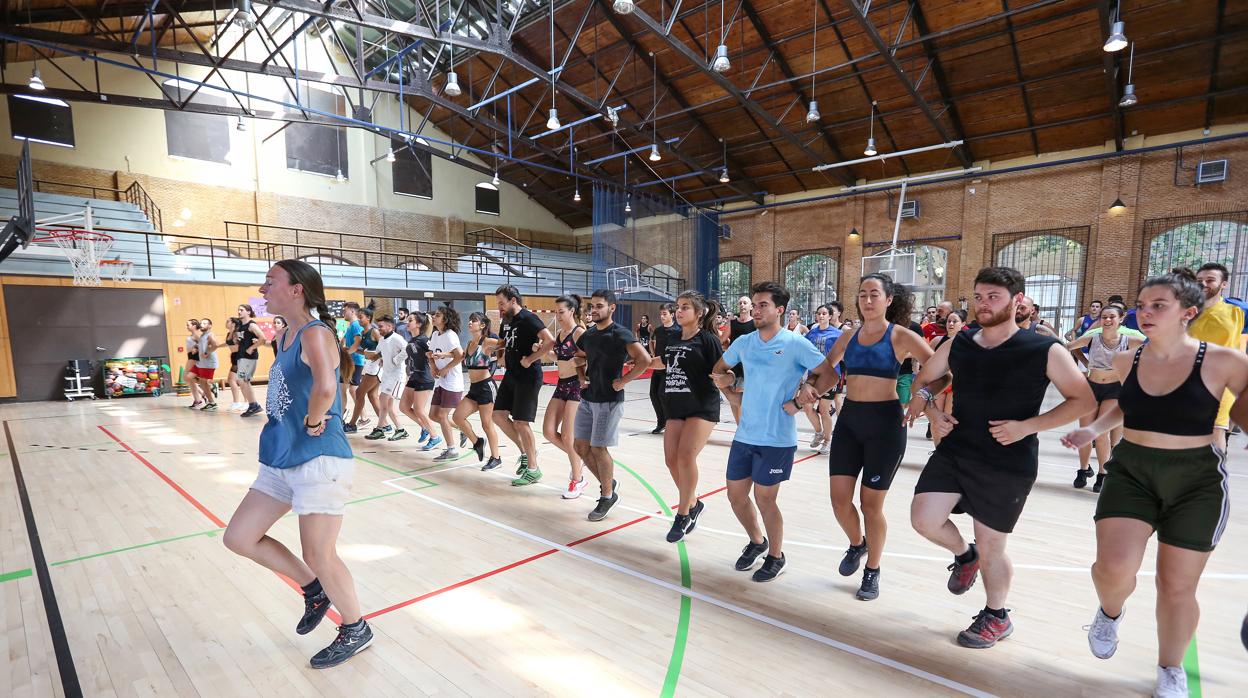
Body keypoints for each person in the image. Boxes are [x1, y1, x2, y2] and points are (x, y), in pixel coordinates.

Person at [1063, 267, 1248, 698]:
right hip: (1133, 471)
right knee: (1112, 570)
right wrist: (1092, 431)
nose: (1146, 314)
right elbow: (1125, 407)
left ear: (1187, 312)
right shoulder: (1129, 358)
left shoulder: (1224, 361)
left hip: (1197, 479)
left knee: (1176, 586)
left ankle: (1170, 668)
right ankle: (1110, 613)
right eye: (1142, 306)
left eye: (1158, 306)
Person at [908, 266, 1094, 649]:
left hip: (1008, 459)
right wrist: (932, 413)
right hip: (958, 448)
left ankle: (997, 615)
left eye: (993, 297)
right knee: (923, 520)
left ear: (1018, 301)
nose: (984, 304)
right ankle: (964, 555)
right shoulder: (958, 343)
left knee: (993, 545)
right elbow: (925, 379)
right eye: (978, 297)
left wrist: (1029, 426)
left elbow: (1084, 399)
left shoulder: (1044, 348)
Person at [223, 259, 372, 669]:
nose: (263, 288)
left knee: (320, 553)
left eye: (270, 281)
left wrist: (311, 421)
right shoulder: (284, 334)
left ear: (296, 290)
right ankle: (314, 590)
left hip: (318, 459)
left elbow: (326, 386)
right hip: (280, 459)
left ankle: (356, 628)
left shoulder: (315, 332)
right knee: (239, 537)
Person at [801, 275, 940, 600]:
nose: (867, 300)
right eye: (862, 294)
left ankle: (872, 570)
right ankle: (857, 543)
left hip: (885, 426)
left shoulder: (901, 336)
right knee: (839, 500)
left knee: (870, 505)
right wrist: (809, 386)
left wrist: (924, 396)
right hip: (850, 422)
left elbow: (941, 370)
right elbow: (830, 371)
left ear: (889, 300)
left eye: (874, 294)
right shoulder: (848, 337)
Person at [711, 282, 826, 582]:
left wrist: (802, 400)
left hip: (777, 438)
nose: (757, 309)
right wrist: (733, 392)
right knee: (736, 497)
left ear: (780, 309)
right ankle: (757, 542)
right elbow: (718, 372)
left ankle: (776, 556)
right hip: (745, 435)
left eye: (763, 305)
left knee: (765, 499)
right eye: (755, 304)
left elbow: (829, 372)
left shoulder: (794, 343)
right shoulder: (745, 342)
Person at [573, 290, 651, 519]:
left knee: (598, 448)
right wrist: (581, 377)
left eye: (599, 306)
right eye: (592, 307)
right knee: (580, 447)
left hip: (608, 400)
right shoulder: (588, 336)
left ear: (612, 308)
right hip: (588, 399)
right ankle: (609, 484)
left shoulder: (621, 334)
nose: (594, 310)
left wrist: (624, 381)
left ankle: (607, 496)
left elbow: (644, 360)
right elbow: (578, 357)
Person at [659, 291, 723, 542]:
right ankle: (694, 503)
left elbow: (722, 370)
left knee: (686, 456)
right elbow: (663, 362)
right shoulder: (673, 337)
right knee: (671, 460)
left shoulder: (708, 339)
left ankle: (683, 514)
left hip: (702, 405)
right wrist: (635, 367)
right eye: (678, 307)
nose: (679, 311)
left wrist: (735, 394)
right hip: (676, 404)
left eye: (685, 307)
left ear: (699, 313)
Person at [1064, 305, 1145, 491]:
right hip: (1091, 387)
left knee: (1101, 433)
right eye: (1104, 317)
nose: (1107, 320)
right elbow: (1066, 347)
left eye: (1111, 317)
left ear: (1121, 319)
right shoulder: (1092, 338)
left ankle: (1103, 472)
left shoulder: (1130, 340)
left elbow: (1155, 349)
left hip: (1115, 390)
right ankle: (1083, 470)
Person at [493, 285, 555, 482]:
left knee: (521, 422)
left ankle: (533, 468)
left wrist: (531, 358)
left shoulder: (529, 318)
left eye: (502, 303)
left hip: (528, 376)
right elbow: (504, 342)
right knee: (498, 415)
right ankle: (526, 452)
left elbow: (549, 341)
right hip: (511, 374)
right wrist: (496, 353)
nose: (500, 307)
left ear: (513, 300)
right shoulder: (506, 321)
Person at [1187, 262, 1244, 451]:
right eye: (1199, 280)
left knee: (1215, 432)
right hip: (1184, 380)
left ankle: (1214, 478)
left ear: (1224, 284)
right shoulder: (1185, 312)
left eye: (1210, 280)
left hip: (1220, 383)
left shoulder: (1237, 310)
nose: (1203, 284)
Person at [541, 295, 587, 494]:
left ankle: (578, 479)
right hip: (561, 385)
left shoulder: (579, 333)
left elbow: (589, 357)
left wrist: (581, 368)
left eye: (561, 312)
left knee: (569, 437)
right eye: (556, 312)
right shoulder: (560, 333)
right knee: (548, 431)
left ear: (572, 311)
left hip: (576, 385)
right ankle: (579, 459)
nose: (558, 315)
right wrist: (545, 353)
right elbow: (559, 357)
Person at [454, 312, 502, 471]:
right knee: (458, 417)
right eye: (469, 320)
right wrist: (442, 356)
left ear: (482, 325)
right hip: (474, 388)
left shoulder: (487, 342)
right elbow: (460, 356)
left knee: (487, 424)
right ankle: (477, 442)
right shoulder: (469, 343)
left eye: (473, 321)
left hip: (486, 387)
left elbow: (504, 343)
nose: (469, 323)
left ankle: (496, 458)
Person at [802, 304, 843, 455]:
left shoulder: (837, 334)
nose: (821, 316)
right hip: (813, 375)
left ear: (830, 316)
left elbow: (842, 354)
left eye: (824, 313)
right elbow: (804, 352)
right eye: (819, 313)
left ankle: (827, 440)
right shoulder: (812, 333)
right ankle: (819, 432)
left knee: (824, 410)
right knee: (806, 406)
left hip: (830, 376)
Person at [427, 306, 465, 462]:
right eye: (434, 315)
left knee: (442, 415)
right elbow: (429, 354)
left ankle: (452, 450)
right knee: (433, 415)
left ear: (445, 319)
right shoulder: (435, 334)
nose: (434, 317)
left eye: (437, 315)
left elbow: (460, 356)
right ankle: (463, 430)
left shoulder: (450, 335)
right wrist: (434, 367)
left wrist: (445, 369)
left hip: (452, 381)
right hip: (441, 381)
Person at [365, 315, 408, 441]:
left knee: (383, 400)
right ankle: (399, 429)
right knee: (387, 406)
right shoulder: (382, 340)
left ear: (390, 326)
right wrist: (376, 358)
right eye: (378, 327)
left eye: (381, 326)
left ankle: (381, 429)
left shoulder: (397, 338)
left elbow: (407, 349)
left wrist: (395, 360)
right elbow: (378, 353)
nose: (379, 329)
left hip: (396, 375)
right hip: (387, 375)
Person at [398, 311, 438, 445]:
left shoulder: (423, 340)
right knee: (403, 406)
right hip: (414, 376)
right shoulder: (412, 340)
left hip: (425, 377)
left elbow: (432, 355)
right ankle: (425, 427)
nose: (407, 323)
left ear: (419, 324)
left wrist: (437, 369)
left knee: (419, 409)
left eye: (410, 320)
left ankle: (435, 437)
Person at [928, 310, 966, 446]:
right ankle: (937, 449)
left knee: (949, 419)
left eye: (954, 321)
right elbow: (925, 360)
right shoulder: (937, 340)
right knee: (936, 419)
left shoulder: (967, 343)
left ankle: (946, 450)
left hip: (955, 384)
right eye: (949, 321)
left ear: (963, 324)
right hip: (939, 382)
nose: (951, 324)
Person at [344, 308, 381, 434]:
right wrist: (347, 350)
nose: (359, 319)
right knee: (372, 396)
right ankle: (385, 425)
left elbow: (385, 346)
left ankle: (352, 424)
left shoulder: (374, 331)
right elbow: (364, 351)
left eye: (361, 317)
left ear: (369, 318)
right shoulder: (364, 333)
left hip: (376, 367)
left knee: (359, 393)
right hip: (368, 365)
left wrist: (378, 357)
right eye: (358, 317)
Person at [719, 296, 755, 423]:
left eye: (745, 302)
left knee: (741, 395)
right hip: (734, 364)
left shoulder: (755, 323)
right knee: (733, 398)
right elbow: (721, 341)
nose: (742, 304)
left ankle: (746, 425)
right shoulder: (732, 323)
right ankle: (740, 427)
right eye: (740, 302)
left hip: (749, 365)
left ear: (751, 306)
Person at [648, 303, 678, 435]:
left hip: (670, 368)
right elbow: (652, 342)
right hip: (657, 367)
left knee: (662, 394)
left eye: (664, 314)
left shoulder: (678, 330)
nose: (662, 316)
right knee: (653, 394)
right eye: (661, 314)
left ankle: (670, 422)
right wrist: (653, 355)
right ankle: (661, 422)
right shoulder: (658, 330)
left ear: (672, 315)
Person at [234, 304, 267, 418]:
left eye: (241, 310)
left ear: (248, 312)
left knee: (242, 380)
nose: (239, 312)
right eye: (238, 310)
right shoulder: (240, 326)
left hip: (249, 357)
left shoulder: (251, 325)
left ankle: (254, 405)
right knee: (242, 381)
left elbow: (263, 338)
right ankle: (253, 405)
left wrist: (251, 348)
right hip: (241, 356)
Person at [341, 302, 367, 417]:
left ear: (352, 311)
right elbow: (347, 343)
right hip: (350, 361)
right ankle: (343, 412)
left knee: (353, 389)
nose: (343, 313)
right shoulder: (351, 326)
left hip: (356, 361)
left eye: (345, 310)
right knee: (342, 388)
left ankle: (364, 417)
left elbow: (357, 343)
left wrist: (346, 353)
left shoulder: (356, 325)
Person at [192, 319, 221, 410]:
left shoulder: (210, 334)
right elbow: (201, 346)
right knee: (190, 377)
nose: (202, 324)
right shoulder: (202, 336)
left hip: (208, 363)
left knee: (203, 382)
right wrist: (196, 348)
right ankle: (212, 386)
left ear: (210, 326)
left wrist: (208, 352)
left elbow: (216, 344)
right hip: (201, 363)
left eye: (204, 323)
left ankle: (212, 403)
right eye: (201, 323)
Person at [185, 319, 205, 409]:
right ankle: (200, 397)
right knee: (190, 379)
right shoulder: (193, 335)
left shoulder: (197, 334)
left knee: (187, 377)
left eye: (188, 325)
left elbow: (203, 343)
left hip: (194, 357)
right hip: (190, 356)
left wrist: (196, 348)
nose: (187, 326)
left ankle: (200, 398)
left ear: (194, 326)